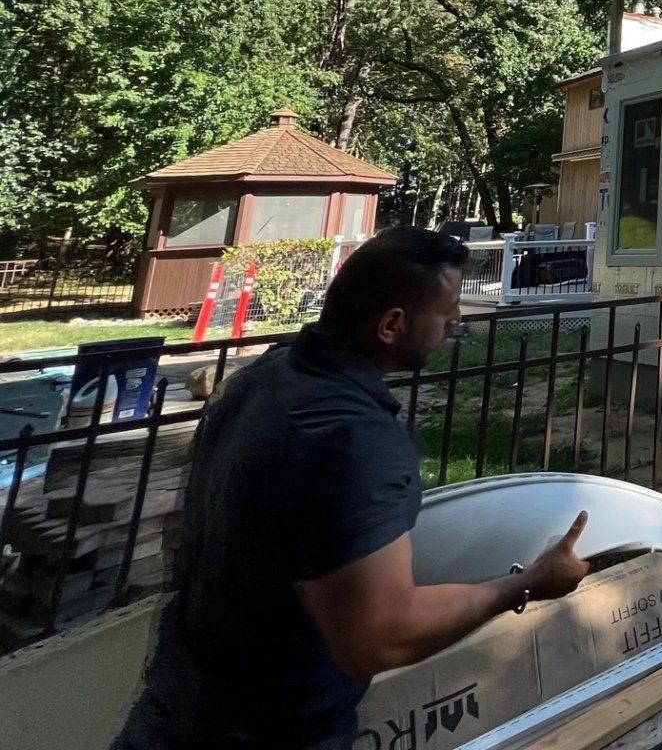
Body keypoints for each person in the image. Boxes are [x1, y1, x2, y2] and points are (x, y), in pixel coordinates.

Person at [114, 226, 591, 750]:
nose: (458, 321)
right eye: (448, 309)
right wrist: (525, 583)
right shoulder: (355, 438)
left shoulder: (267, 378)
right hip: (274, 729)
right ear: (391, 325)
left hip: (175, 706)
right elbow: (379, 637)